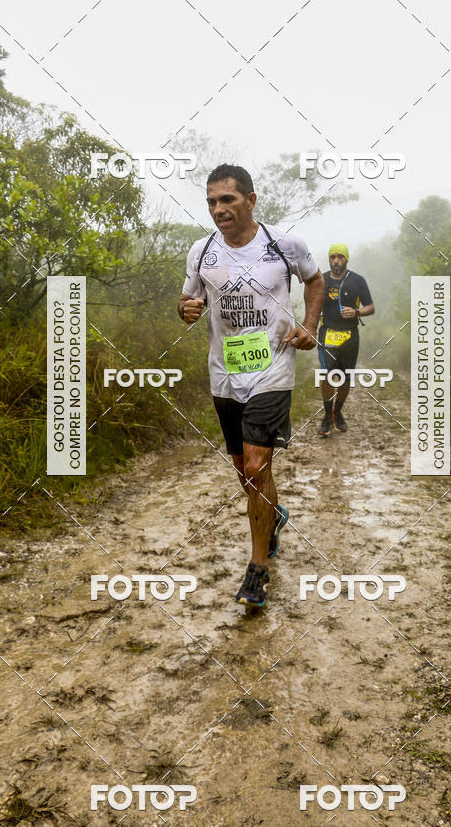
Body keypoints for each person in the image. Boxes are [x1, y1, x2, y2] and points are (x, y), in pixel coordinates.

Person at [179, 164, 324, 608]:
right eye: (211, 202)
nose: (218, 209)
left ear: (251, 200)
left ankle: (257, 570)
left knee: (259, 465)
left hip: (272, 369)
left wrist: (310, 325)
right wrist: (187, 309)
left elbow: (314, 280)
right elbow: (187, 299)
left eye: (227, 199)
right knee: (245, 469)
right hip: (224, 373)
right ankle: (273, 515)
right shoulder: (202, 251)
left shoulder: (284, 245)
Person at [317, 243, 375, 436]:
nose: (336, 261)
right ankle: (327, 417)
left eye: (340, 257)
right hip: (327, 334)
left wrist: (357, 312)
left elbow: (371, 307)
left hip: (350, 336)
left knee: (345, 378)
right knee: (327, 376)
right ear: (329, 259)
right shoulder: (321, 280)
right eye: (332, 257)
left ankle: (337, 412)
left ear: (346, 259)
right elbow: (313, 305)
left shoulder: (357, 280)